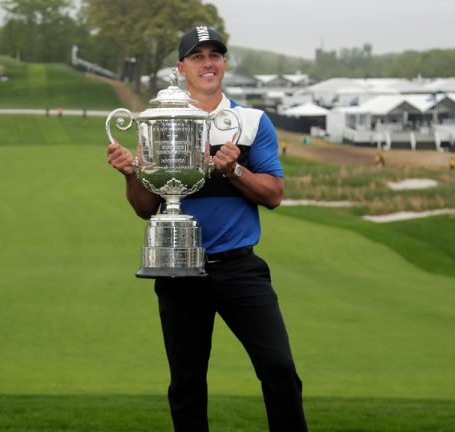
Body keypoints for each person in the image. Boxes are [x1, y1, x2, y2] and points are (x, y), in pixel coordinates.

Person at [106, 26, 308, 432]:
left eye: (215, 55)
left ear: (225, 63)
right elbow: (148, 208)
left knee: (280, 370)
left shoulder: (250, 123)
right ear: (182, 68)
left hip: (238, 268)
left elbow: (273, 194)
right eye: (197, 57)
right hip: (179, 270)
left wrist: (234, 170)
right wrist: (131, 174)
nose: (208, 63)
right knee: (187, 383)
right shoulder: (162, 121)